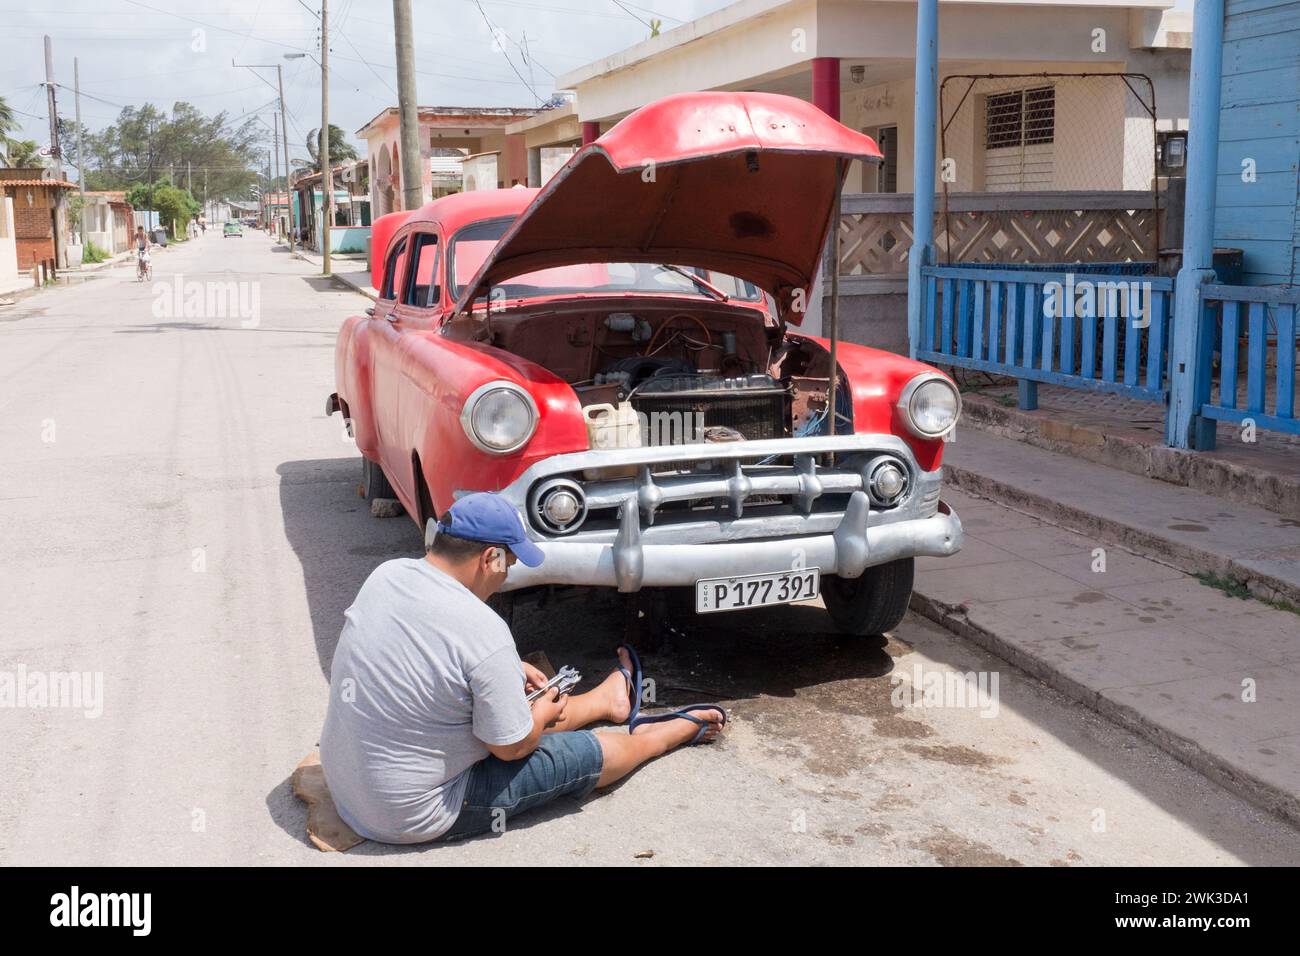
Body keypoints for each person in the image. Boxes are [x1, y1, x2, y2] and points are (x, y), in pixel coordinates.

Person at [319, 492, 726, 844]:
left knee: (517, 710)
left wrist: (505, 667)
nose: (508, 573)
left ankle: (609, 701)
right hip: (411, 814)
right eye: (510, 563)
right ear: (490, 558)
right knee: (582, 751)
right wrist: (540, 712)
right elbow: (511, 748)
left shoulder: (388, 575)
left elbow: (420, 641)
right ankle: (669, 733)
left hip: (352, 787)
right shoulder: (483, 629)